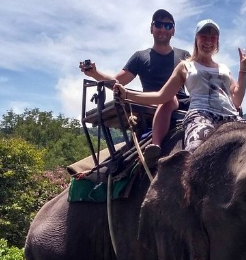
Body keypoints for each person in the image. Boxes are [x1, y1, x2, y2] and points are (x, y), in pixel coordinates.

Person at [113, 19, 246, 152]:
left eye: (213, 38)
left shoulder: (224, 68)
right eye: (203, 36)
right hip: (201, 115)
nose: (208, 41)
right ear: (196, 39)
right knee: (197, 152)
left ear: (217, 42)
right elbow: (162, 96)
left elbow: (236, 101)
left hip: (230, 115)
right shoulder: (186, 66)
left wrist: (243, 71)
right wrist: (127, 94)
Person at [80, 8, 190, 159]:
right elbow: (118, 81)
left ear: (173, 31)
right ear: (151, 28)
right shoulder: (140, 57)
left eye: (168, 25)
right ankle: (155, 146)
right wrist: (95, 73)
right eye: (158, 24)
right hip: (153, 103)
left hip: (183, 104)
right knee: (168, 99)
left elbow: (195, 82)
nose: (163, 29)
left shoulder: (184, 56)